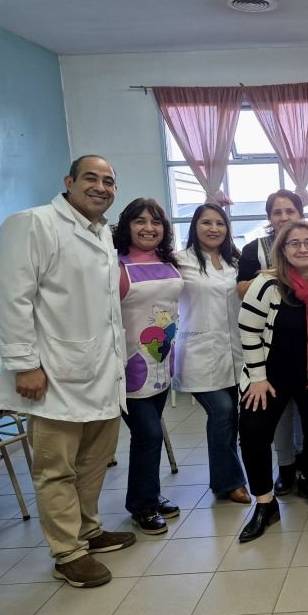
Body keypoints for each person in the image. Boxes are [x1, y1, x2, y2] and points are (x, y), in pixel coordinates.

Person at [0, 155, 135, 588]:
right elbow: (11, 298)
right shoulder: (32, 223)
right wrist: (24, 364)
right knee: (56, 468)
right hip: (51, 375)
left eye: (109, 181)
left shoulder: (101, 234)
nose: (101, 187)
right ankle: (67, 552)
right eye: (91, 178)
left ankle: (88, 529)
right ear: (68, 181)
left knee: (93, 462)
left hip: (101, 372)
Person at [237, 221, 308, 541]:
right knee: (253, 430)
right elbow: (248, 330)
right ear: (282, 251)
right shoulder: (265, 284)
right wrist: (257, 378)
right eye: (294, 244)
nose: (302, 248)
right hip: (269, 374)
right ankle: (265, 503)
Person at [113, 198, 183, 535]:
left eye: (156, 222)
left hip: (162, 361)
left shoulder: (170, 263)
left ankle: (149, 495)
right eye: (140, 220)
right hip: (129, 366)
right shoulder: (117, 268)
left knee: (147, 436)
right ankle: (142, 506)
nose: (148, 228)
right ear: (127, 225)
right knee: (149, 435)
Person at [173, 203, 250, 505]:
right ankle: (232, 481)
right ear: (195, 226)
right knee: (221, 412)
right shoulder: (180, 261)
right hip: (198, 352)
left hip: (235, 351)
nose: (214, 229)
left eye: (220, 223)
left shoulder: (236, 260)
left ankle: (222, 480)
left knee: (231, 416)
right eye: (207, 222)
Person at [236, 189, 307, 497]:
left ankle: (307, 466)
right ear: (269, 217)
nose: (283, 217)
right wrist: (274, 275)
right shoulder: (255, 249)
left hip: (306, 344)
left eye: (289, 211)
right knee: (279, 414)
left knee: (307, 410)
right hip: (270, 347)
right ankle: (287, 467)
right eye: (277, 212)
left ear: (300, 214)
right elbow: (241, 288)